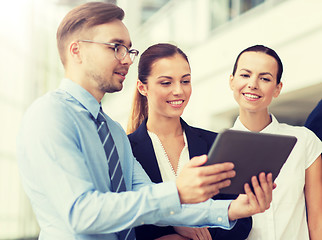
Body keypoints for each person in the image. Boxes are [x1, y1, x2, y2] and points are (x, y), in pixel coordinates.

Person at [16, 2, 274, 239]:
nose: (127, 59)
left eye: (129, 50)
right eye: (116, 47)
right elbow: (81, 213)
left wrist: (232, 208)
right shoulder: (50, 115)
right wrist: (177, 191)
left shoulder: (113, 132)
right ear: (77, 50)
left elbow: (154, 204)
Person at [127, 43, 252, 240]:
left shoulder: (216, 143)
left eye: (185, 81)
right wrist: (173, 229)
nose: (179, 91)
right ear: (143, 87)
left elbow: (242, 221)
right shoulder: (126, 150)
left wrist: (204, 235)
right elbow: (126, 216)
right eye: (166, 83)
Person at [228, 45, 322, 240]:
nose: (253, 84)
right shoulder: (213, 148)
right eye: (245, 75)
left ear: (278, 88)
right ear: (232, 81)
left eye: (265, 78)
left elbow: (317, 220)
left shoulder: (304, 141)